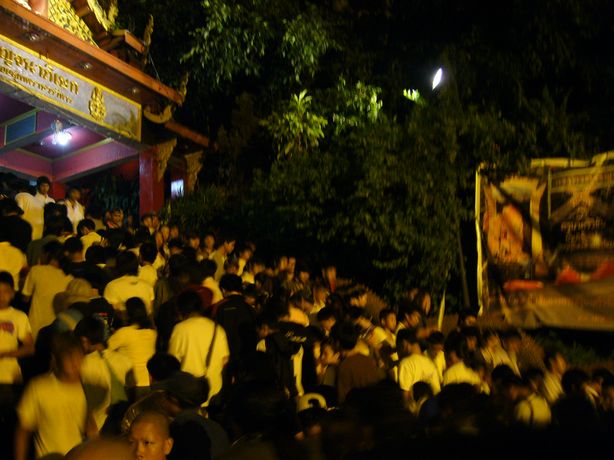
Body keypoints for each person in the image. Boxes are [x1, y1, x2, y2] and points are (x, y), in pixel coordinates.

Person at [15, 331, 96, 460]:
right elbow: (23, 431)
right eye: (68, 357)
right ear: (56, 359)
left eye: (78, 356)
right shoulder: (39, 387)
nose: (75, 363)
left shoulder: (88, 388)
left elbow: (92, 431)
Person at [168, 290, 230, 405]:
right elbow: (225, 360)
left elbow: (172, 360)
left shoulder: (180, 329)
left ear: (181, 309)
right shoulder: (217, 328)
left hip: (189, 390)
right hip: (214, 389)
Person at [75, 317, 134, 432]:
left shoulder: (82, 365)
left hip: (96, 426)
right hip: (122, 423)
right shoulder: (126, 360)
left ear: (84, 341)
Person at [21, 240, 73, 340]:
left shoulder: (36, 271)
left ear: (47, 254)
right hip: (58, 330)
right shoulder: (69, 278)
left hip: (36, 327)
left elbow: (25, 298)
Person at [108, 297, 157, 397]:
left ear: (128, 313)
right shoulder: (152, 332)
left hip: (132, 383)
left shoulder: (124, 333)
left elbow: (106, 349)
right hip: (149, 381)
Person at [396, 329, 440, 401]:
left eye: (398, 348)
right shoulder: (430, 363)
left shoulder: (405, 364)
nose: (398, 353)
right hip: (429, 406)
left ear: (404, 343)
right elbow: (437, 392)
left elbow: (405, 397)